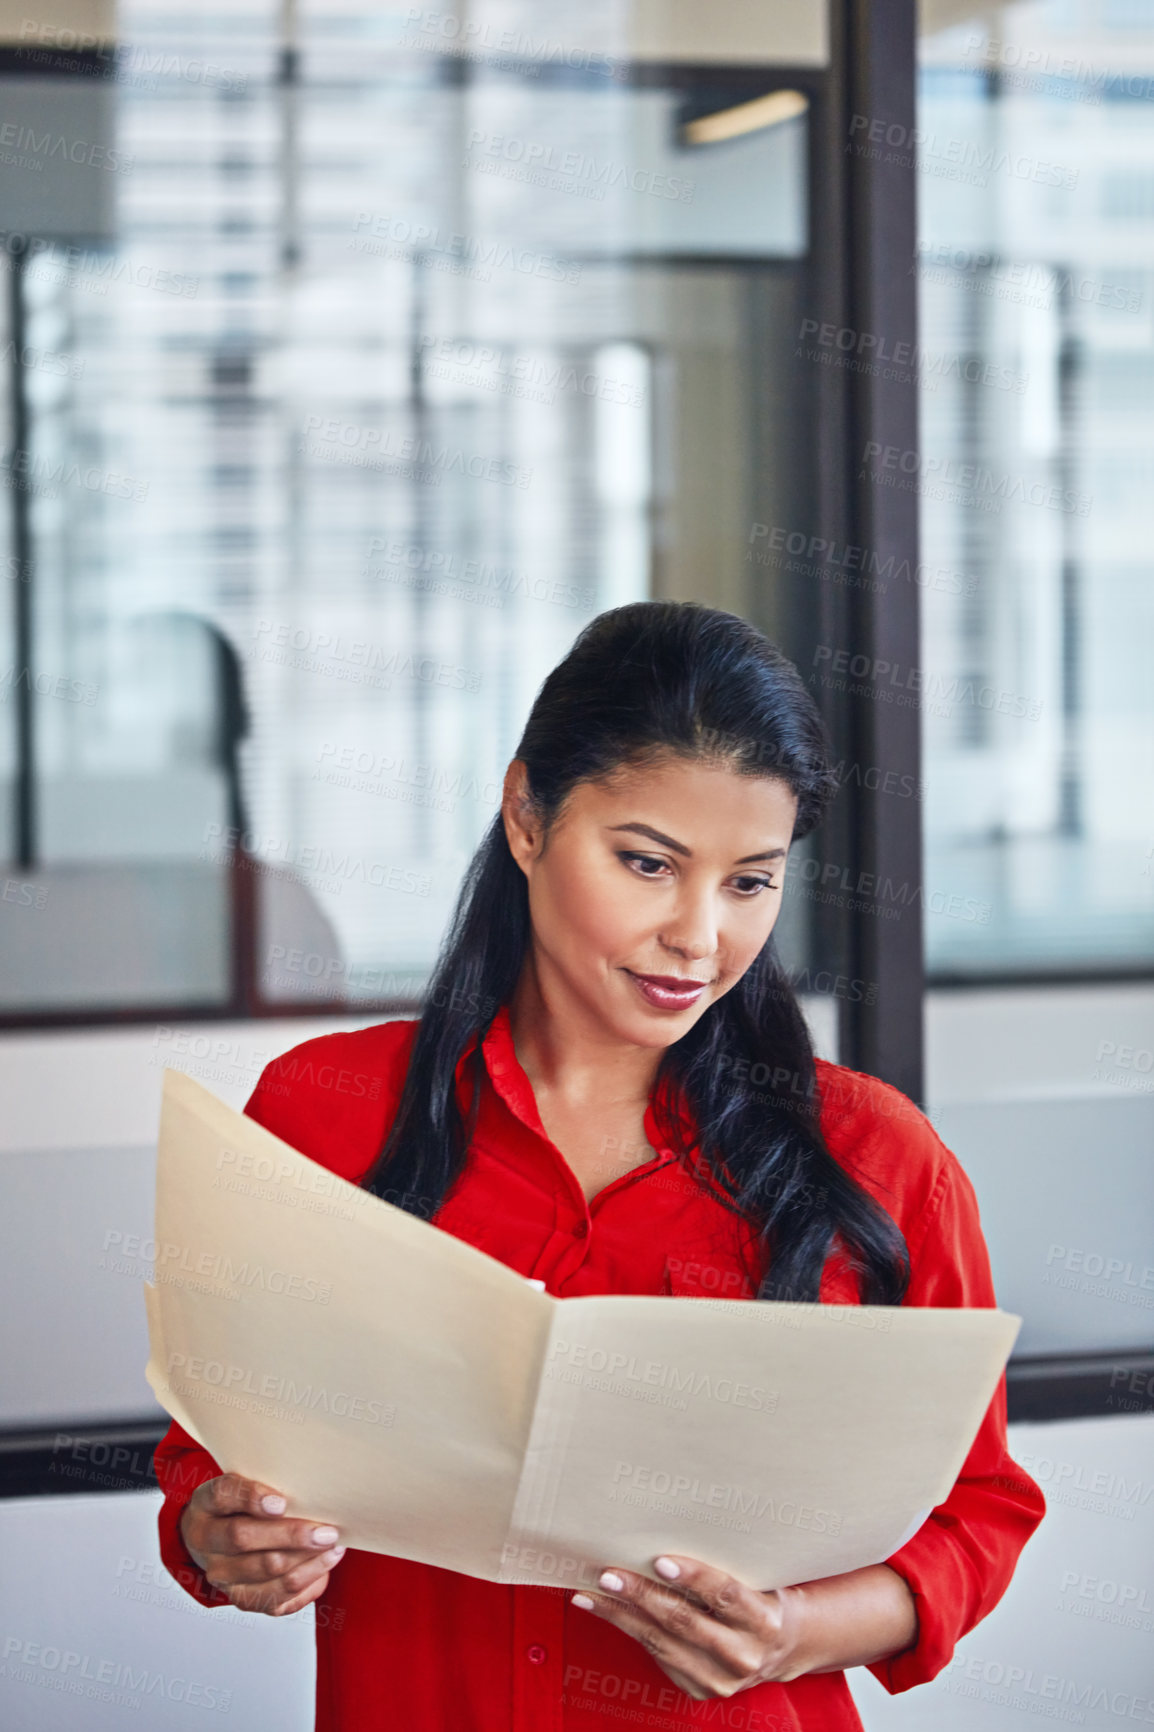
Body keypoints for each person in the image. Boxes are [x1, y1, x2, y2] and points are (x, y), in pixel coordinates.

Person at [153, 602, 1044, 1731]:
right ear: (525, 817)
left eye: (748, 881)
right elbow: (209, 1452)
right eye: (645, 863)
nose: (698, 935)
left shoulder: (874, 1155)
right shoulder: (323, 1115)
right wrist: (220, 1535)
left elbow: (980, 1511)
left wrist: (791, 1636)